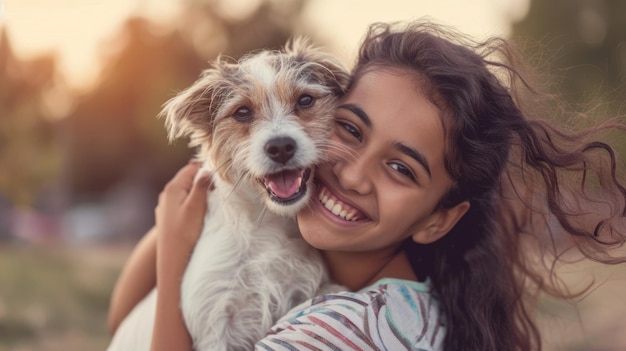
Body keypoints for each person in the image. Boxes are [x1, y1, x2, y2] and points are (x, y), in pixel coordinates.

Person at [108, 21, 626, 350]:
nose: (352, 174)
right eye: (351, 130)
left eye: (402, 168)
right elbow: (122, 324)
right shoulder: (388, 294)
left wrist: (174, 253)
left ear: (439, 217)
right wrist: (172, 234)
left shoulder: (339, 333)